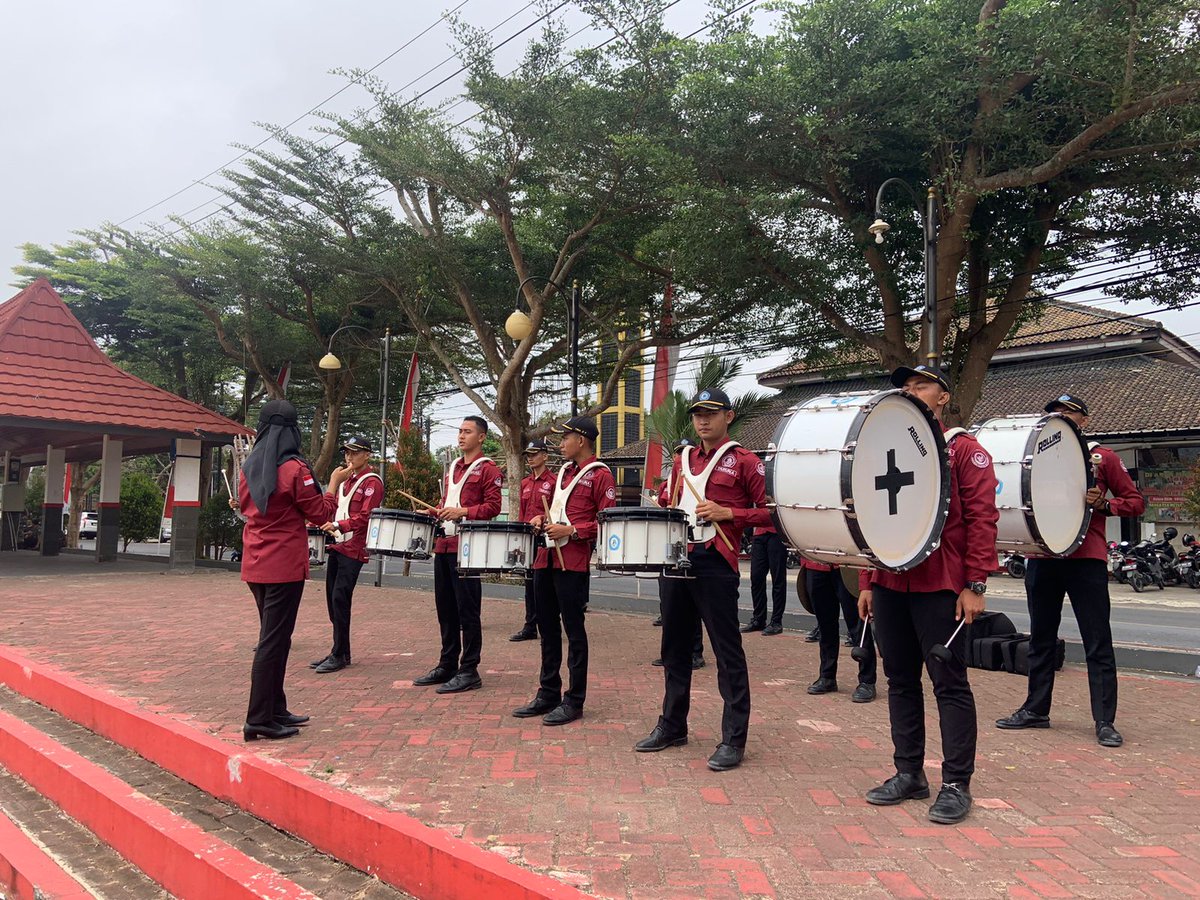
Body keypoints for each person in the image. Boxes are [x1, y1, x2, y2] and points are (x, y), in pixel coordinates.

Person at [859, 365, 998, 824]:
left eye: (921, 384)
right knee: (899, 680)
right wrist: (867, 582)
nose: (910, 391)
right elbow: (871, 516)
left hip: (941, 585)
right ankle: (909, 773)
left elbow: (982, 519)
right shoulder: (886, 446)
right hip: (890, 583)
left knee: (949, 684)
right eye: (906, 386)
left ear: (943, 396)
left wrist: (975, 584)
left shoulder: (963, 450)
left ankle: (957, 783)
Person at [996, 394, 1144, 748]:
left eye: (1069, 413)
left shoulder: (1102, 457)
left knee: (1097, 641)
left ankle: (1104, 721)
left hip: (1085, 558)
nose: (1061, 417)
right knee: (1040, 639)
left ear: (1084, 420)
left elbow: (1136, 501)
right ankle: (1036, 710)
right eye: (1054, 413)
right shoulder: (1037, 459)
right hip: (1044, 557)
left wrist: (1105, 504)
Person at [635, 388, 770, 772]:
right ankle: (673, 725)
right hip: (677, 559)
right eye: (697, 413)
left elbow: (771, 513)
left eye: (711, 413)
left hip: (715, 562)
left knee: (728, 653)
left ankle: (733, 738)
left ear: (728, 416)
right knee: (674, 649)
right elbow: (671, 499)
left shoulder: (745, 461)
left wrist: (730, 512)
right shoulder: (681, 459)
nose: (702, 420)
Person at [235, 399, 334, 741]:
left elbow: (247, 507)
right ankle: (259, 718)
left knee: (275, 639)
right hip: (284, 566)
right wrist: (333, 487)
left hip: (256, 562)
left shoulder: (250, 468)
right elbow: (319, 513)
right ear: (293, 431)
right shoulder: (294, 469)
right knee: (273, 641)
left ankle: (276, 708)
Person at [514, 417, 615, 725]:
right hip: (545, 558)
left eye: (565, 438)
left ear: (581, 440)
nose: (560, 444)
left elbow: (608, 522)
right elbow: (554, 514)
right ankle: (548, 692)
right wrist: (540, 521)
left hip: (572, 563)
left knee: (574, 632)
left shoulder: (600, 475)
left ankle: (575, 699)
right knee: (546, 629)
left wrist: (572, 530)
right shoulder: (562, 474)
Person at [413, 416, 503, 694]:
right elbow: (446, 502)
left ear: (482, 437)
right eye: (460, 431)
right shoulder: (452, 466)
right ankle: (447, 663)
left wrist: (463, 512)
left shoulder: (488, 469)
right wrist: (436, 511)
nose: (461, 436)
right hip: (444, 544)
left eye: (467, 432)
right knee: (446, 610)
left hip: (468, 548)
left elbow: (493, 507)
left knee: (468, 611)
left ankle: (470, 669)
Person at [307, 436, 384, 674]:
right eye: (347, 452)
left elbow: (366, 516)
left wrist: (339, 525)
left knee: (340, 598)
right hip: (338, 545)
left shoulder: (372, 482)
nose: (349, 457)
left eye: (355, 452)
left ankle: (339, 654)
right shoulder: (344, 482)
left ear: (367, 455)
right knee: (332, 599)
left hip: (354, 546)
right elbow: (334, 509)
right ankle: (340, 650)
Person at [653, 438, 704, 669]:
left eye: (684, 452)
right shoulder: (668, 483)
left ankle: (695, 652)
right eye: (677, 453)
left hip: (693, 543)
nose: (679, 457)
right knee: (669, 603)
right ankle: (670, 652)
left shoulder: (697, 480)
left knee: (692, 604)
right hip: (670, 545)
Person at [805, 558, 876, 702]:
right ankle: (827, 675)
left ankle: (867, 680)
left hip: (848, 564)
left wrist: (864, 578)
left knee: (858, 625)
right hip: (817, 563)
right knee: (825, 626)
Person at [510, 438, 555, 642]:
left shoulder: (554, 482)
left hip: (546, 539)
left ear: (545, 456)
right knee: (529, 583)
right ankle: (530, 626)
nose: (530, 458)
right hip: (527, 538)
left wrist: (544, 521)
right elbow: (522, 511)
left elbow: (556, 511)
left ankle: (549, 624)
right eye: (528, 455)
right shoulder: (525, 483)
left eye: (534, 454)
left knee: (544, 585)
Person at [743, 525, 788, 635]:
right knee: (756, 578)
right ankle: (758, 619)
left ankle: (776, 621)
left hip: (777, 533)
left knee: (778, 579)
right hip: (759, 533)